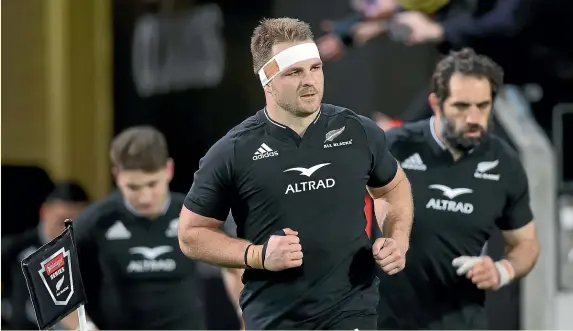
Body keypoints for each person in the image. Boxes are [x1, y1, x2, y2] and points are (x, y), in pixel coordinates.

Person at [178, 17, 414, 330]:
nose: (310, 81)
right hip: (275, 320)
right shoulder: (232, 152)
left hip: (352, 312)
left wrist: (396, 238)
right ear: (267, 80)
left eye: (315, 68)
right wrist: (258, 255)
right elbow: (191, 235)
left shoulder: (358, 131)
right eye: (295, 72)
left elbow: (391, 189)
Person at [376, 48, 540, 329]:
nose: (474, 118)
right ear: (436, 103)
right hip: (385, 321)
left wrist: (502, 270)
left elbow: (525, 243)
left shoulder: (504, 162)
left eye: (483, 105)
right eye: (462, 106)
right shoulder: (393, 147)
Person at [61, 126, 206, 330]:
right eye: (133, 187)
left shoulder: (193, 213)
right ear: (117, 176)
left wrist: (245, 318)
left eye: (152, 184)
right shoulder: (96, 220)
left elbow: (236, 268)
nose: (145, 198)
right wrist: (82, 327)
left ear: (168, 170)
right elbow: (49, 281)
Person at [1, 181, 89, 330]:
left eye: (76, 222)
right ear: (45, 212)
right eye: (62, 220)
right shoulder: (13, 248)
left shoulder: (88, 249)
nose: (68, 230)